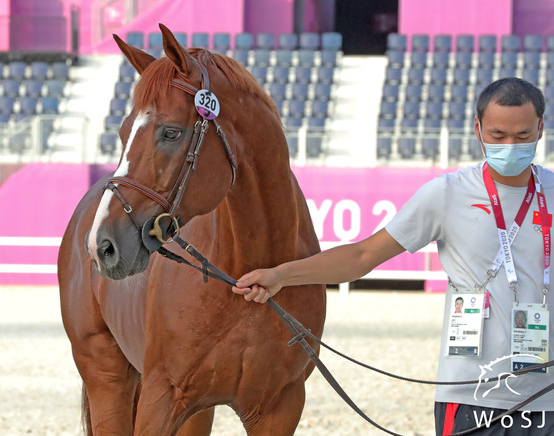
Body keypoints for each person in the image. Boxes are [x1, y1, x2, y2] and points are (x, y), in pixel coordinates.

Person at [233, 77, 554, 435]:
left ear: (541, 129)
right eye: (498, 136)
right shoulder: (446, 194)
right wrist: (281, 275)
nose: (510, 146)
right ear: (477, 129)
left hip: (549, 396)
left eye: (522, 136)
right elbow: (363, 255)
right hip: (468, 393)